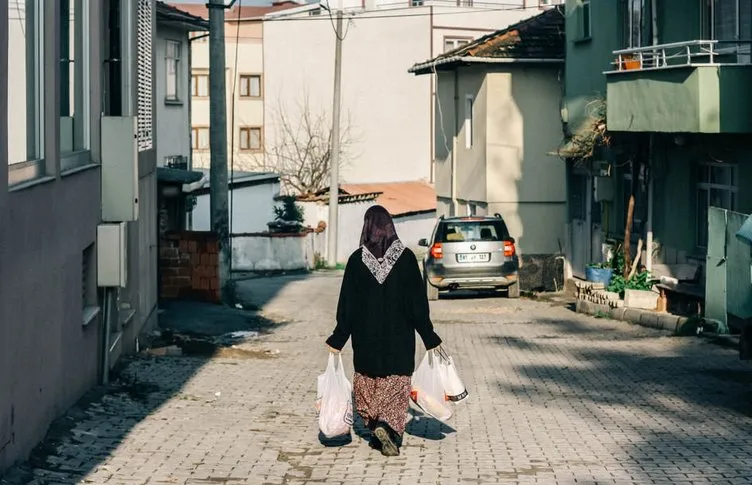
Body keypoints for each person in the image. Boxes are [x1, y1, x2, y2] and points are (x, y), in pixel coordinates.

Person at [325, 205, 443, 457]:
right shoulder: (408, 259)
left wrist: (338, 338)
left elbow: (347, 305)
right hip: (399, 342)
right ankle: (387, 427)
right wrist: (429, 336)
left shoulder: (357, 261)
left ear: (366, 227)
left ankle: (377, 427)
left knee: (367, 389)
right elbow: (417, 305)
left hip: (365, 342)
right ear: (390, 226)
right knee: (395, 387)